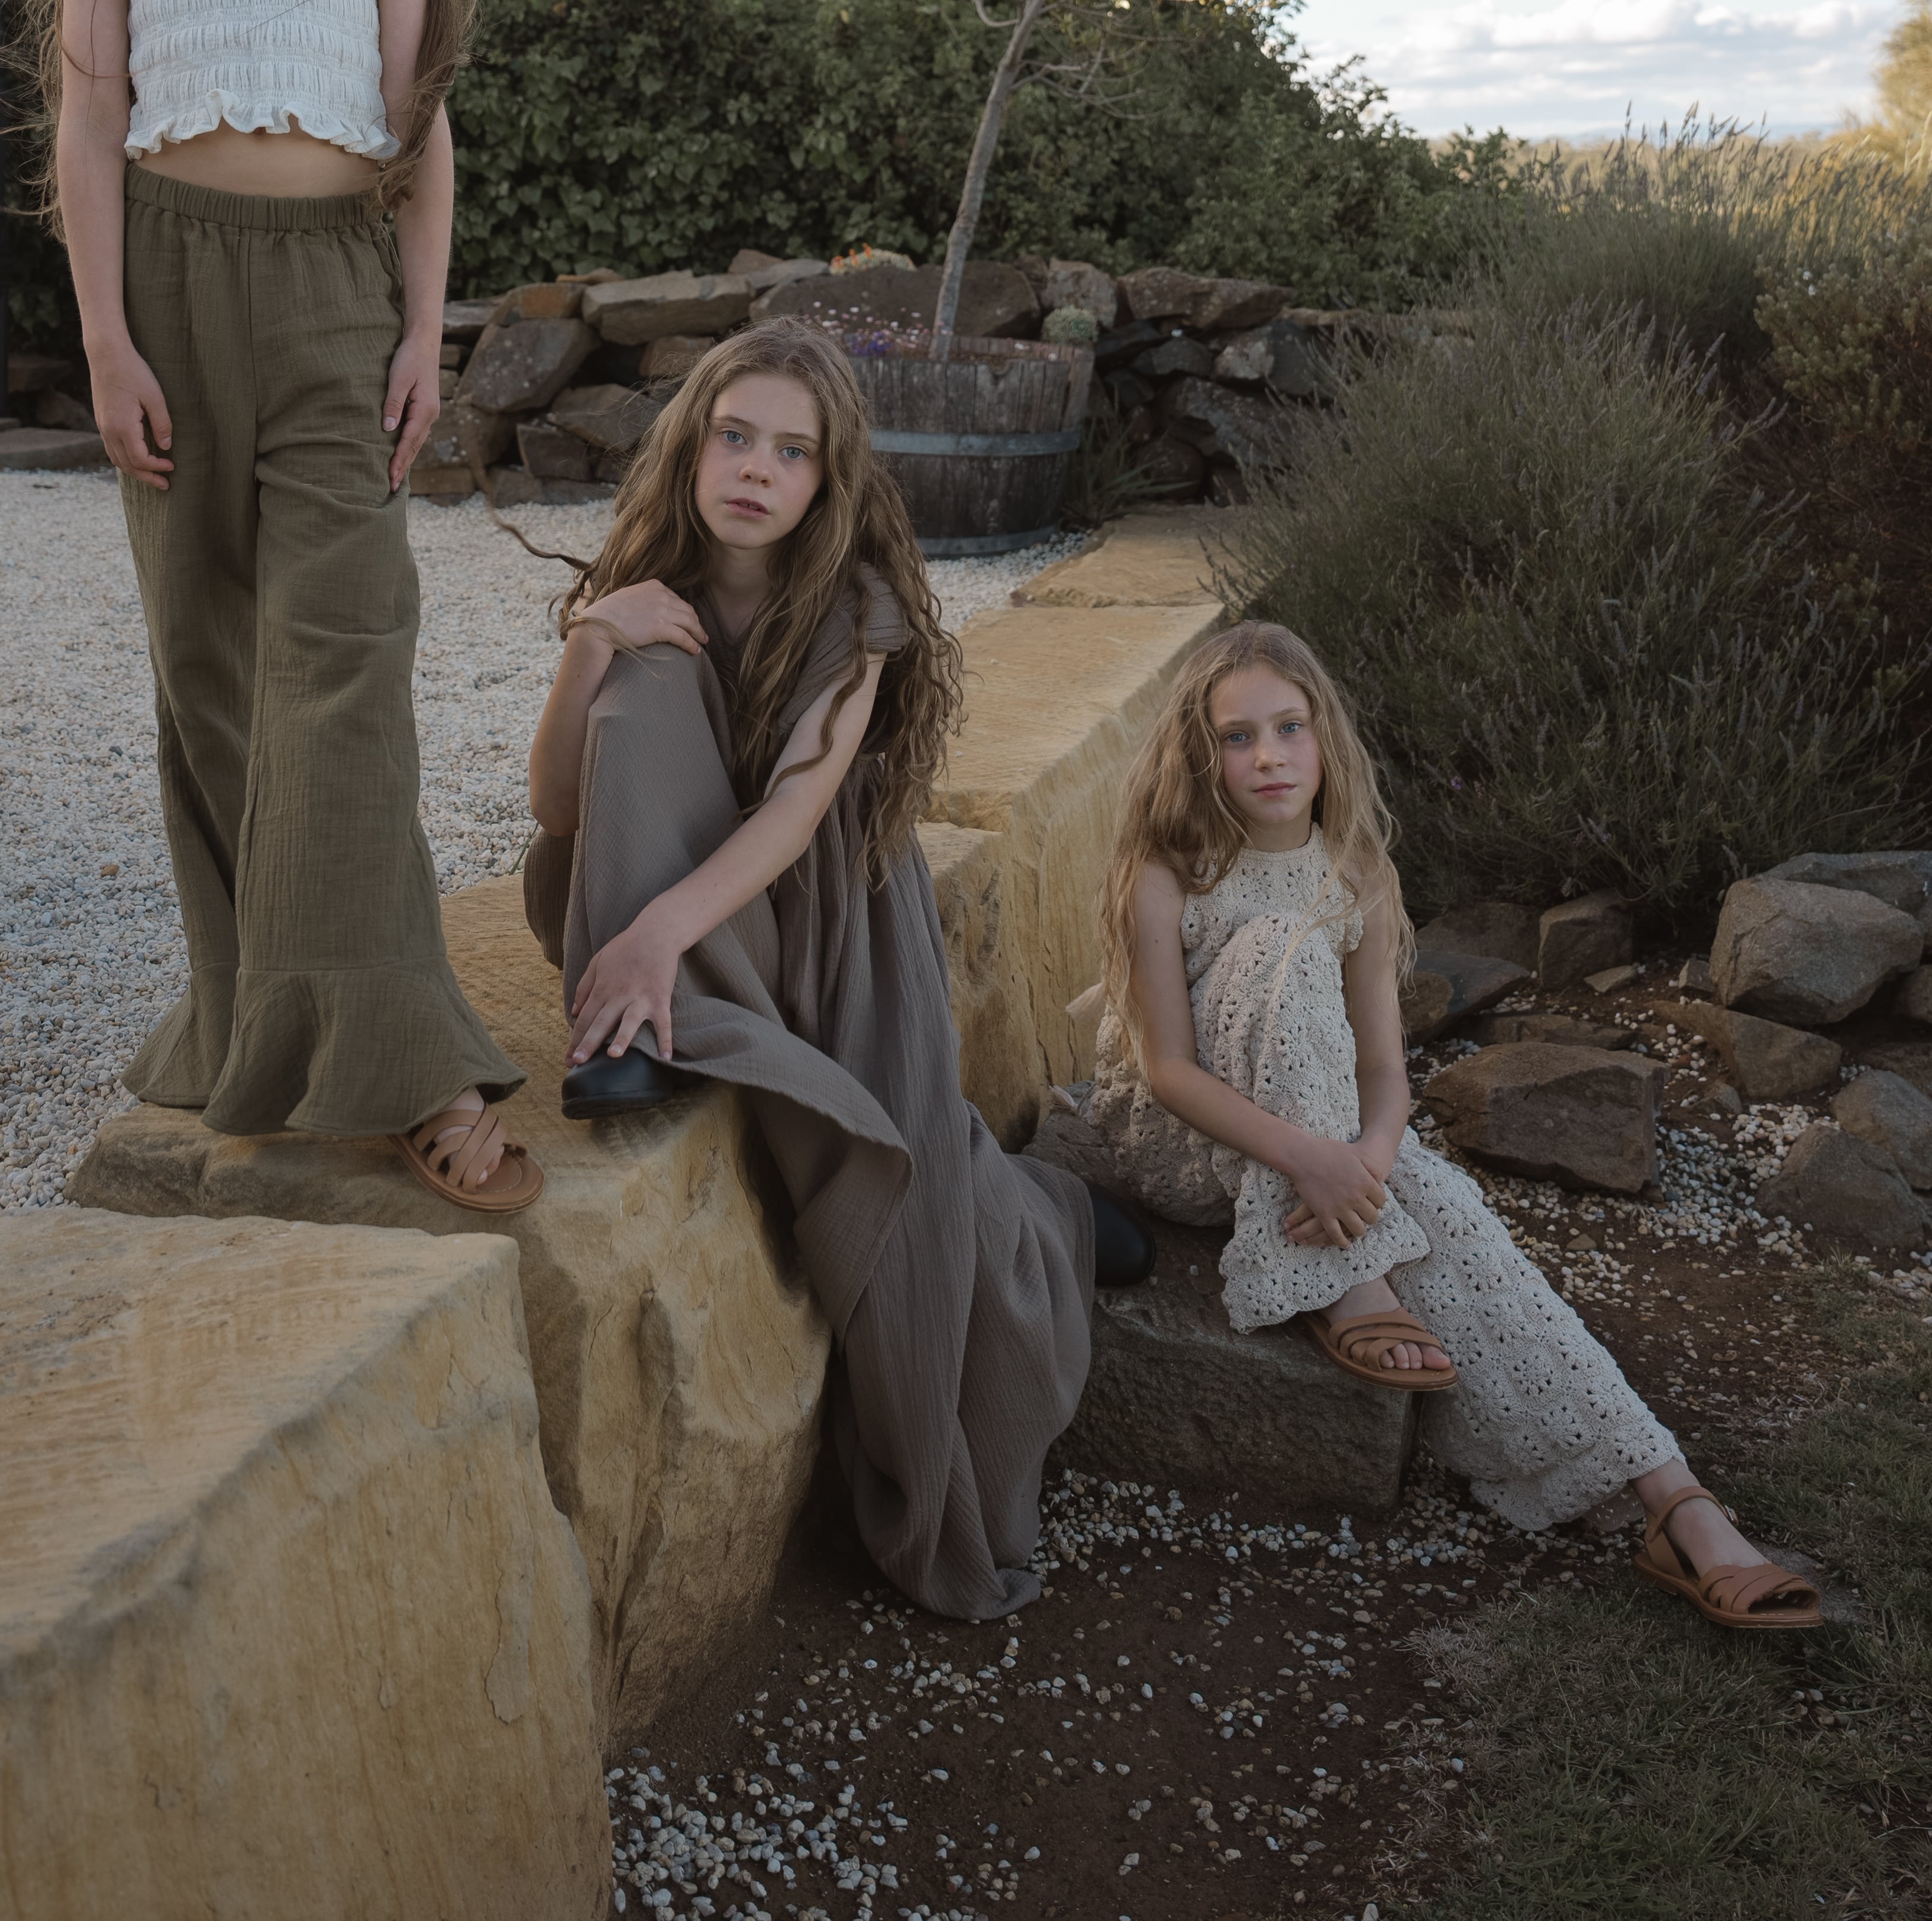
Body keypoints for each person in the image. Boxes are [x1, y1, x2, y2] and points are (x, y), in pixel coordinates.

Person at [50, 0, 539, 1215]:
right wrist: (106, 341)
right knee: (208, 673)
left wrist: (422, 332)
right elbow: (87, 118)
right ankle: (255, 1025)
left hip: (337, 293)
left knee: (343, 666)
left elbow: (419, 127)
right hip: (167, 284)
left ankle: (411, 1065)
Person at [521, 319, 1145, 1619]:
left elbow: (797, 816)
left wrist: (654, 933)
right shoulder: (652, 587)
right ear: (693, 447)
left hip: (826, 915)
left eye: (791, 452)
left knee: (909, 1188)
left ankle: (1047, 1220)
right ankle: (639, 1035)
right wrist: (591, 639)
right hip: (678, 889)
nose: (756, 469)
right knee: (640, 681)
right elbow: (563, 812)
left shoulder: (855, 612)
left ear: (828, 478)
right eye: (734, 436)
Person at [1082, 618, 1821, 1632]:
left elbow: (1384, 1071)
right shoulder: (1171, 870)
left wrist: (1370, 1162)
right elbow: (1167, 1071)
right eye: (1236, 737)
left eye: (1290, 728)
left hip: (1326, 1130)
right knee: (1281, 948)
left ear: (1324, 736)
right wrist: (1311, 1159)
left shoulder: (1357, 872)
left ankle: (1677, 1502)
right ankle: (1348, 1279)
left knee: (1459, 1219)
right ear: (1199, 754)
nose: (1269, 757)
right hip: (1187, 1146)